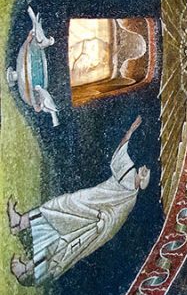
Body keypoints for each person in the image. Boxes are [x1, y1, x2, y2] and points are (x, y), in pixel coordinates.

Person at [7, 116, 150, 285]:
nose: (144, 168)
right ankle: (20, 223)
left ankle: (26, 271)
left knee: (62, 246)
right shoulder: (128, 173)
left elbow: (114, 221)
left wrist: (101, 221)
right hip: (85, 202)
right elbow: (119, 156)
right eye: (145, 169)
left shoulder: (130, 197)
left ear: (141, 181)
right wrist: (130, 131)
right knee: (56, 207)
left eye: (145, 172)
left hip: (92, 222)